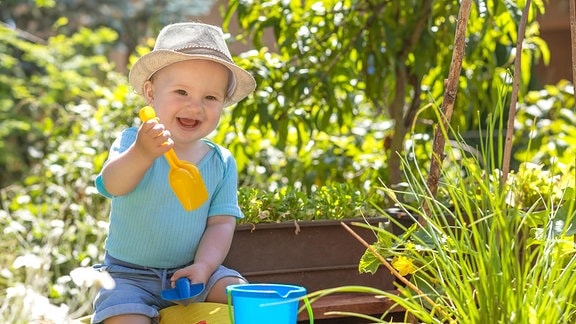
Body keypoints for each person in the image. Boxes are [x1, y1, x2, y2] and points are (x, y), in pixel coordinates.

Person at [91, 22, 256, 324]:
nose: (195, 106)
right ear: (151, 94)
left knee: (238, 292)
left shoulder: (220, 161)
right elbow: (112, 185)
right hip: (128, 274)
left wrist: (205, 267)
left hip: (190, 271)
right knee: (124, 317)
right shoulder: (133, 141)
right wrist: (141, 154)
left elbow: (220, 224)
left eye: (210, 97)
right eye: (181, 92)